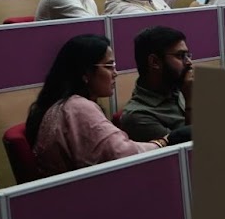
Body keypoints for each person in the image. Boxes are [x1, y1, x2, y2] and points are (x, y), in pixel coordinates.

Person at [26, 34, 161, 175]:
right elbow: (121, 154)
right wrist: (162, 143)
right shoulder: (77, 108)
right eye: (109, 66)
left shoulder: (64, 105)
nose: (115, 73)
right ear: (85, 73)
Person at [120, 27, 194, 144]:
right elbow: (195, 148)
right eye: (180, 56)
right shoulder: (138, 117)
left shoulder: (178, 87)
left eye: (188, 55)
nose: (189, 62)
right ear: (155, 62)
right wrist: (190, 100)